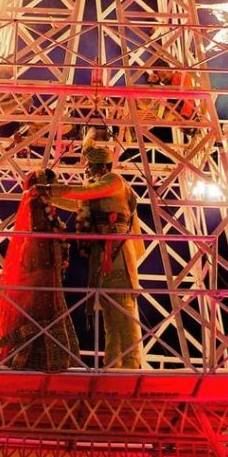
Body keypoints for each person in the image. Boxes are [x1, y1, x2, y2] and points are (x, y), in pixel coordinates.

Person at [49, 130, 144, 369]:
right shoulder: (101, 186)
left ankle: (132, 365)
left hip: (117, 255)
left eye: (88, 167)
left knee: (124, 314)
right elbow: (77, 201)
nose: (86, 172)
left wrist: (51, 189)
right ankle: (114, 365)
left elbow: (84, 193)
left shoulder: (113, 181)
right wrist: (47, 195)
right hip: (104, 256)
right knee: (112, 319)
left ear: (98, 165)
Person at [0, 168, 79, 371]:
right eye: (50, 185)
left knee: (45, 309)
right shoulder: (35, 203)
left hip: (46, 267)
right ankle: (27, 359)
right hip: (40, 264)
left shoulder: (44, 205)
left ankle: (47, 360)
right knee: (38, 309)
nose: (53, 189)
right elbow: (41, 232)